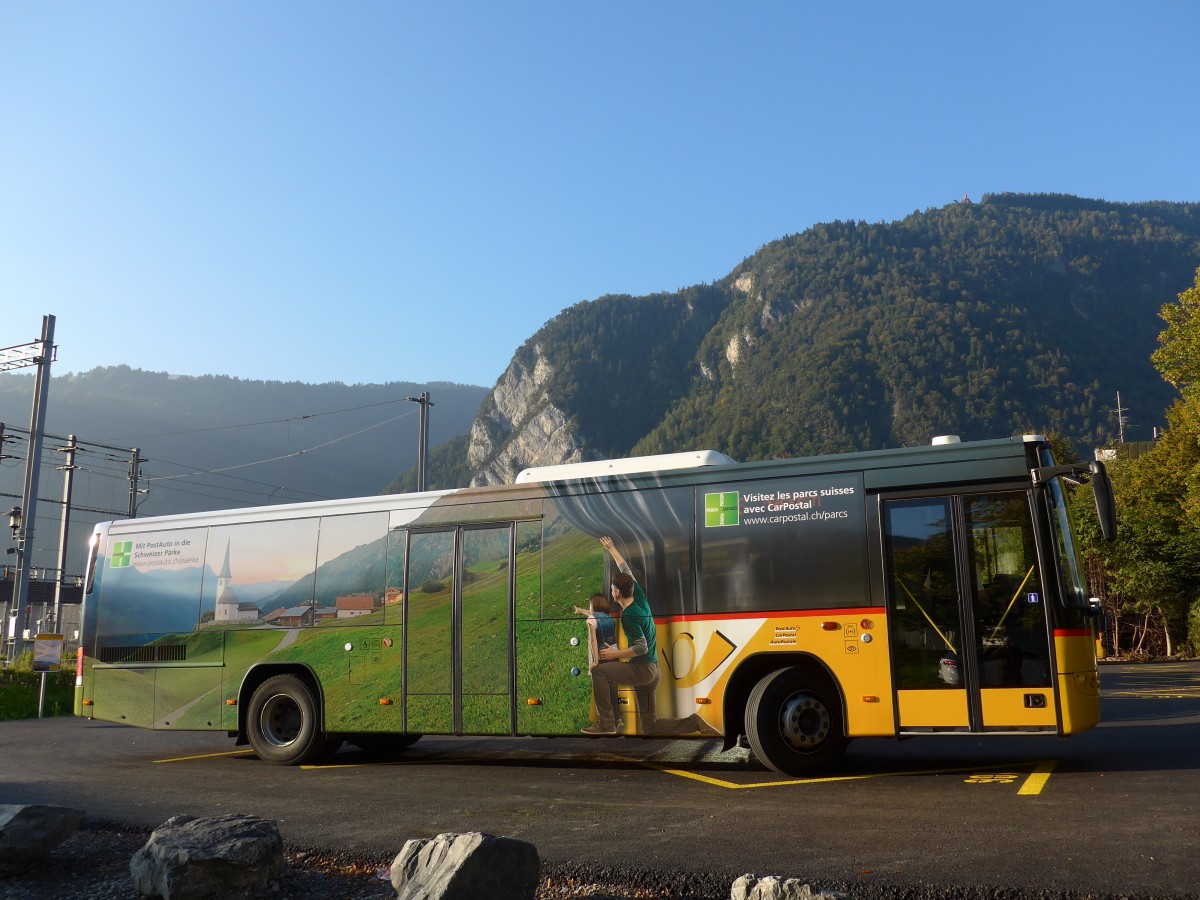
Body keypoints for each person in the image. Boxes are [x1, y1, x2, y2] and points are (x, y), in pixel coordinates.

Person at [582, 536, 720, 738]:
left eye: (612, 589)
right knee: (650, 726)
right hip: (654, 671)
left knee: (600, 672)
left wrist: (614, 655)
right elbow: (625, 569)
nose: (611, 592)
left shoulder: (629, 616)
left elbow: (641, 647)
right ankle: (694, 722)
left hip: (642, 670)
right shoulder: (638, 595)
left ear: (618, 592)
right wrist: (612, 548)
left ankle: (607, 723)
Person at [574, 592, 616, 671]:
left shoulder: (591, 619)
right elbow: (594, 614)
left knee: (599, 678)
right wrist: (581, 610)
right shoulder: (609, 616)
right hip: (614, 652)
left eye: (590, 604)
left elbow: (593, 640)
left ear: (593, 605)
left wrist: (596, 661)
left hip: (601, 655)